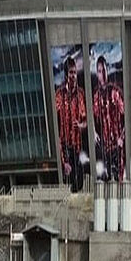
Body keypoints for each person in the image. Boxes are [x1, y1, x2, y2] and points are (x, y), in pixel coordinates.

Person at [55, 56, 87, 192]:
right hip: (65, 145)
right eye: (71, 73)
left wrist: (81, 126)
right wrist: (62, 160)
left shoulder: (80, 94)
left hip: (77, 146)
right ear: (66, 74)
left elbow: (86, 121)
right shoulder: (59, 95)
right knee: (69, 179)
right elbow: (55, 125)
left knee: (79, 181)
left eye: (75, 72)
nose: (74, 76)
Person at [92, 54, 125, 181]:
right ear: (97, 73)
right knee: (109, 177)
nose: (102, 73)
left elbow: (126, 116)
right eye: (100, 71)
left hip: (117, 143)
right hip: (105, 145)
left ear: (107, 70)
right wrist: (94, 133)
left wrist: (121, 137)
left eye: (104, 70)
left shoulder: (115, 91)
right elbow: (92, 117)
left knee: (119, 178)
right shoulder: (96, 95)